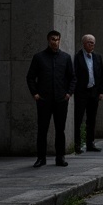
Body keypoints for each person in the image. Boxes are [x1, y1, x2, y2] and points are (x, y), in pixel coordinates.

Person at [26, 30, 75, 167]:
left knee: (60, 130)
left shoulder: (65, 58)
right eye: (53, 39)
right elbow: (30, 77)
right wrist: (35, 93)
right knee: (42, 129)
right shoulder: (39, 57)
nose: (55, 42)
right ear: (48, 40)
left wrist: (68, 93)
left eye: (58, 39)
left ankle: (60, 157)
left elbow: (72, 77)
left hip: (61, 99)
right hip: (44, 100)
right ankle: (41, 158)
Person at [72, 34, 103, 153]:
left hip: (94, 92)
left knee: (92, 119)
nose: (91, 45)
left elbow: (101, 75)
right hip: (81, 92)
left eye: (93, 43)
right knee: (78, 118)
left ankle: (90, 143)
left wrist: (101, 91)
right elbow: (74, 75)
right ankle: (77, 144)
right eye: (89, 42)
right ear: (83, 43)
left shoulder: (97, 57)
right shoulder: (77, 57)